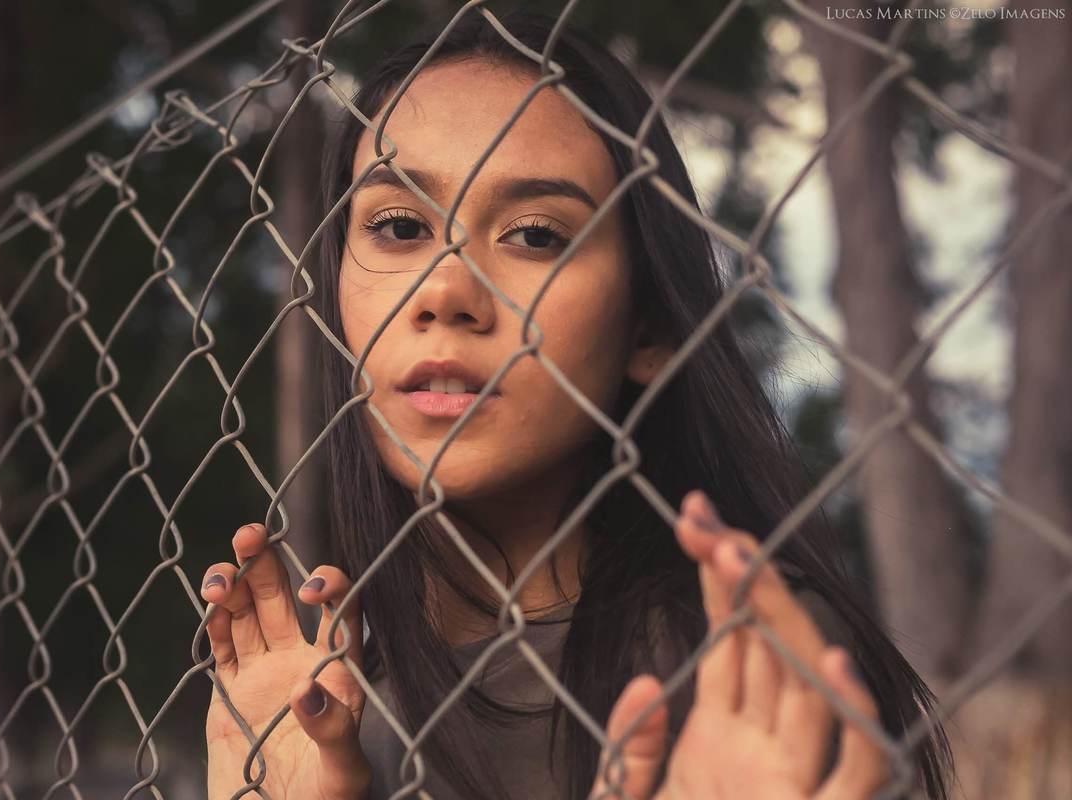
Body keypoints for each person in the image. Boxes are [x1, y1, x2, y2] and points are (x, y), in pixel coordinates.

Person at [198, 10, 952, 799]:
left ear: (650, 328)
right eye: (396, 226)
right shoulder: (336, 704)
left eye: (533, 235)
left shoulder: (742, 671)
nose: (445, 291)